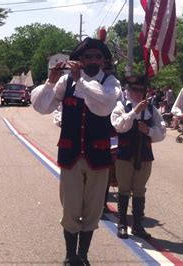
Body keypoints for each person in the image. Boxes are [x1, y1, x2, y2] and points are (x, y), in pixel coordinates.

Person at [32, 37, 121, 265]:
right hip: (71, 155)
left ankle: (83, 255)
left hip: (98, 155)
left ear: (103, 61)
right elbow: (42, 108)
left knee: (92, 210)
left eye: (97, 57)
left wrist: (80, 81)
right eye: (87, 57)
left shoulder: (111, 83)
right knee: (71, 208)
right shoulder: (65, 82)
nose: (92, 60)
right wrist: (50, 82)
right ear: (79, 60)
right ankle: (70, 256)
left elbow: (102, 106)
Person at [111, 76, 166, 240]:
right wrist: (134, 112)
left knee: (140, 190)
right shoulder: (121, 106)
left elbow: (161, 132)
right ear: (128, 90)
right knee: (124, 189)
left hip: (144, 154)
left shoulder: (151, 109)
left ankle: (137, 224)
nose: (137, 93)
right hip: (125, 154)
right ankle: (122, 224)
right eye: (134, 89)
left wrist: (148, 131)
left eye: (141, 90)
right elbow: (119, 126)